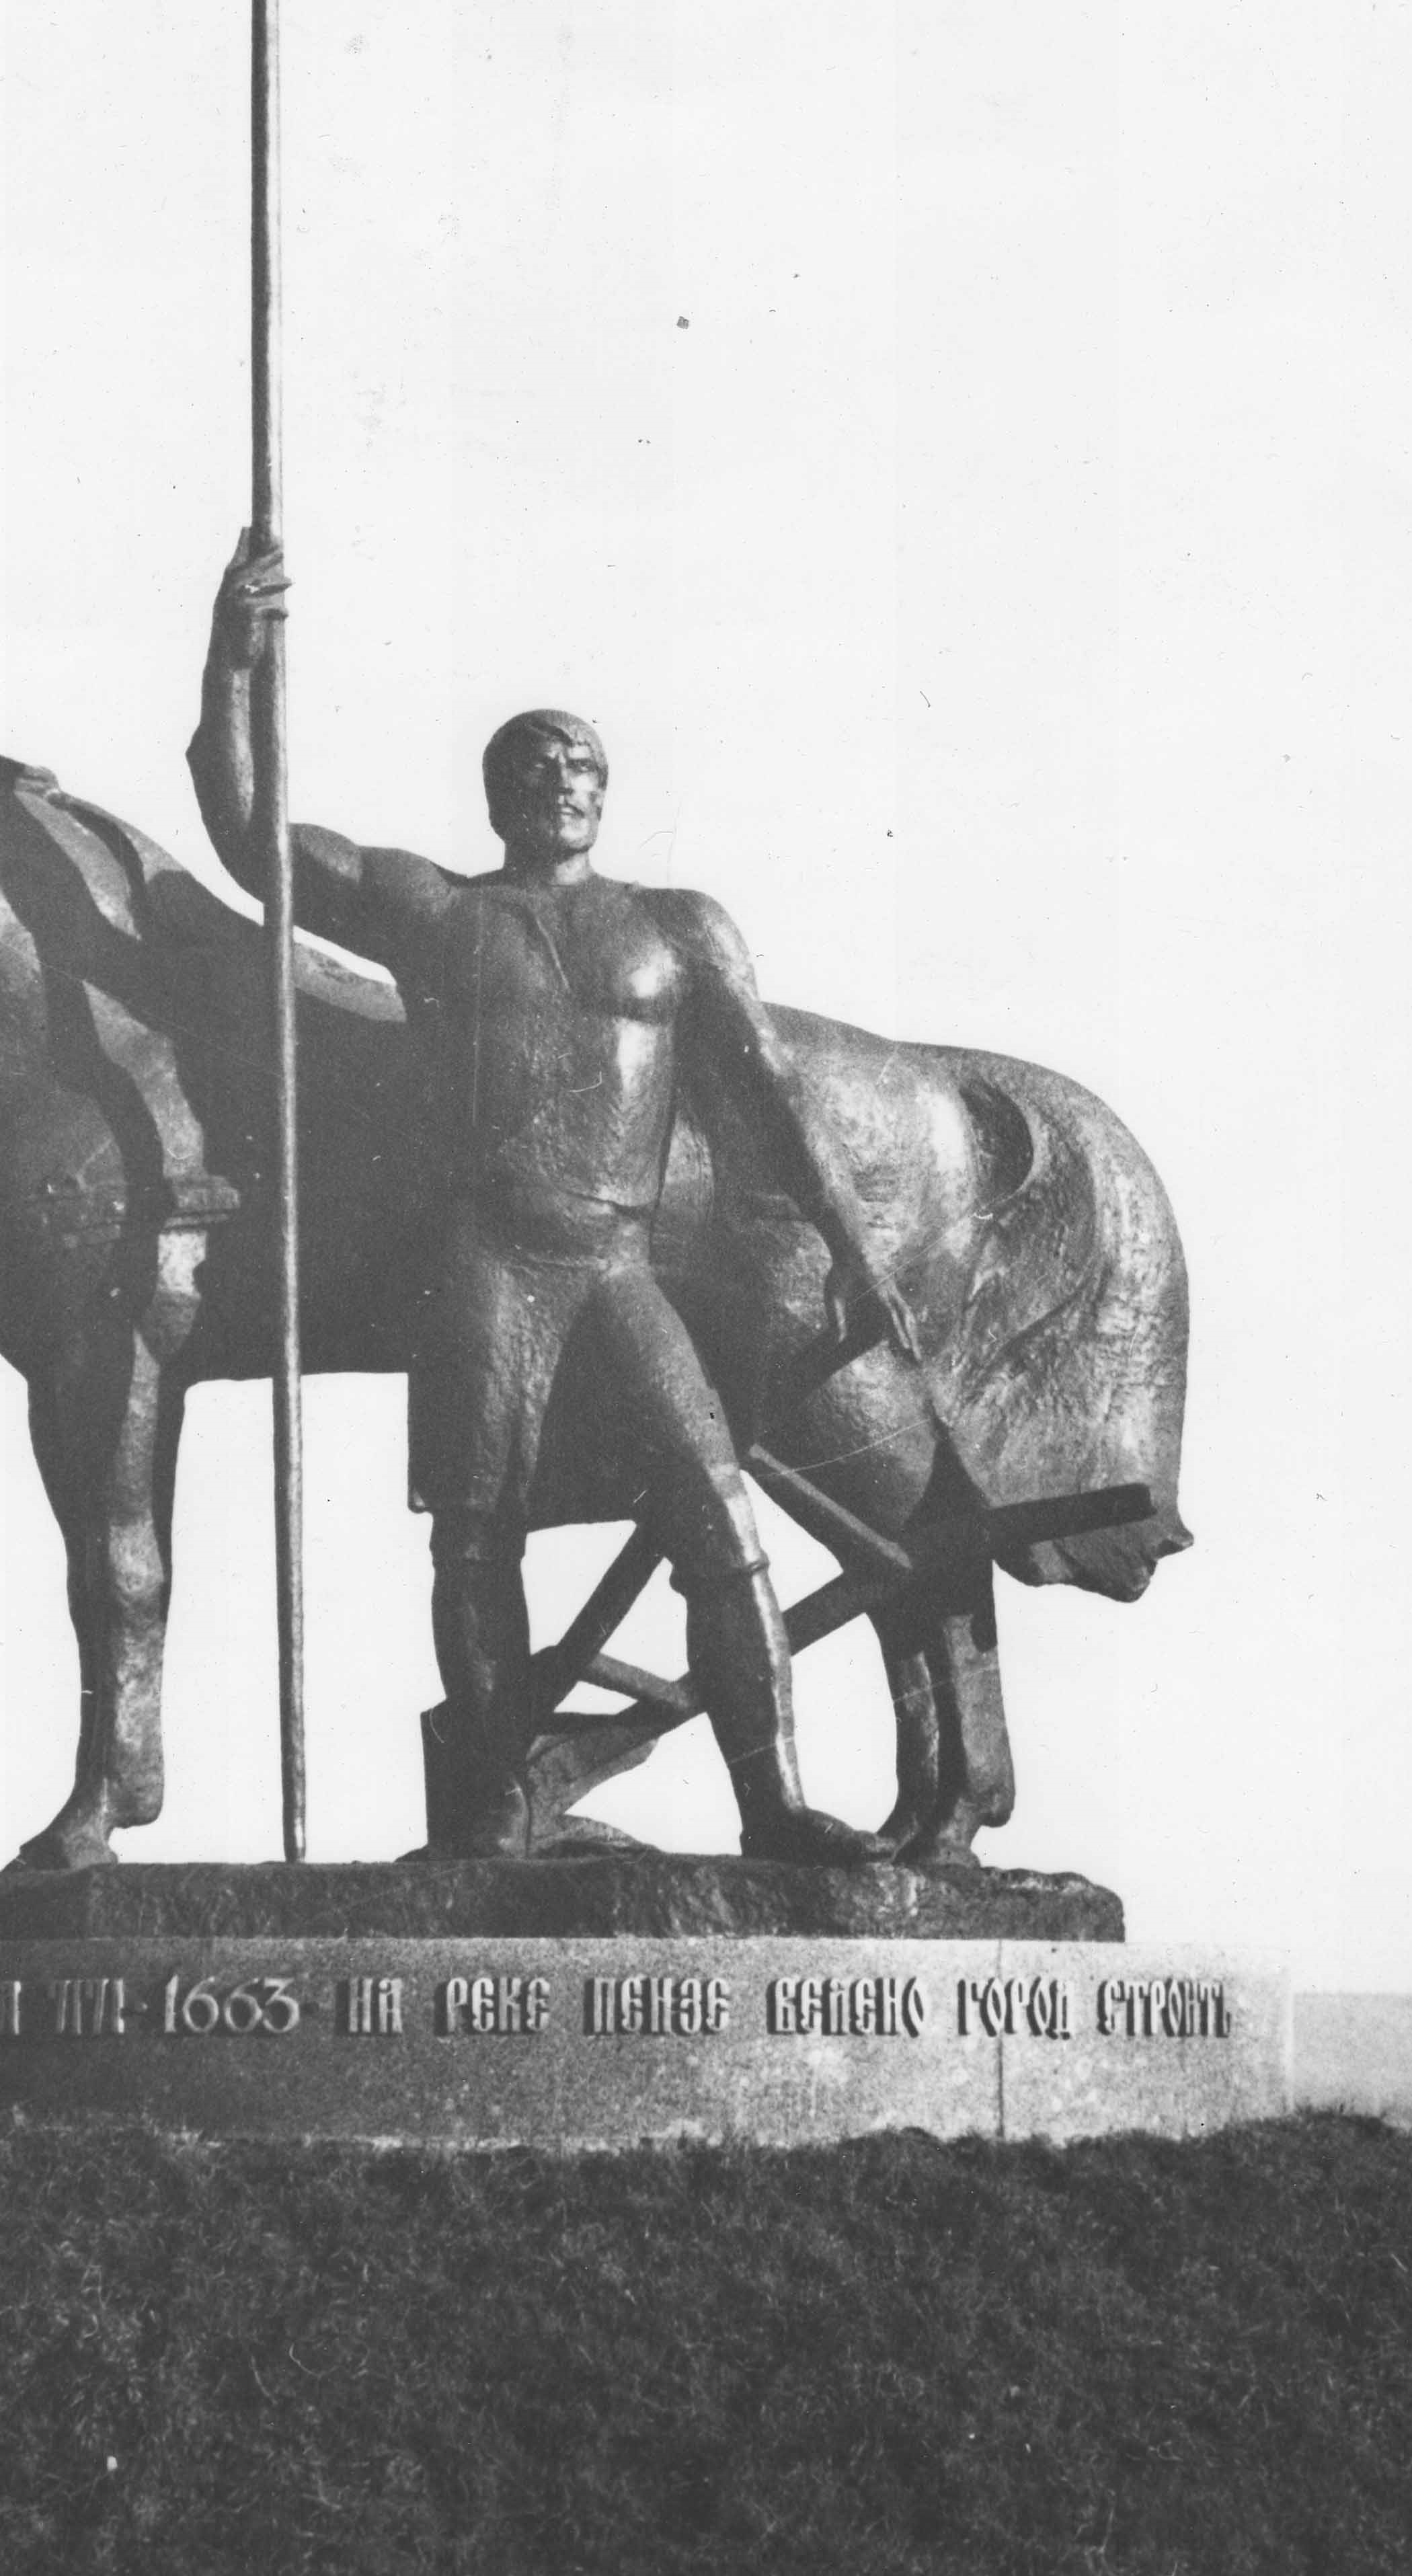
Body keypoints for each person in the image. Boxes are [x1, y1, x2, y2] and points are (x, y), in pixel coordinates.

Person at [190, 529, 914, 1861]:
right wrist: (233, 657)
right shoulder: (436, 911)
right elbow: (251, 835)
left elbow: (773, 1100)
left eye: (580, 766)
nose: (560, 783)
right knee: (475, 1539)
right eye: (535, 767)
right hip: (489, 1266)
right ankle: (489, 1806)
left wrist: (856, 1247)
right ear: (497, 796)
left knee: (720, 1518)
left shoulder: (678, 926)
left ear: (606, 792)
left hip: (616, 1266)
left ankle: (775, 1805)